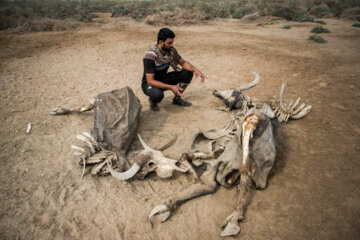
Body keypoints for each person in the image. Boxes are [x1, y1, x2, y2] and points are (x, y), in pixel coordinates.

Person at [141, 28, 207, 111]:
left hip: (163, 78)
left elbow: (182, 63)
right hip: (149, 84)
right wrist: (171, 87)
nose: (172, 45)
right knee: (157, 95)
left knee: (188, 72)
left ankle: (177, 98)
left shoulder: (171, 50)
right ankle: (153, 101)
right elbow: (150, 81)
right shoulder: (150, 56)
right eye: (169, 43)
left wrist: (195, 70)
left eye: (172, 42)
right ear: (161, 42)